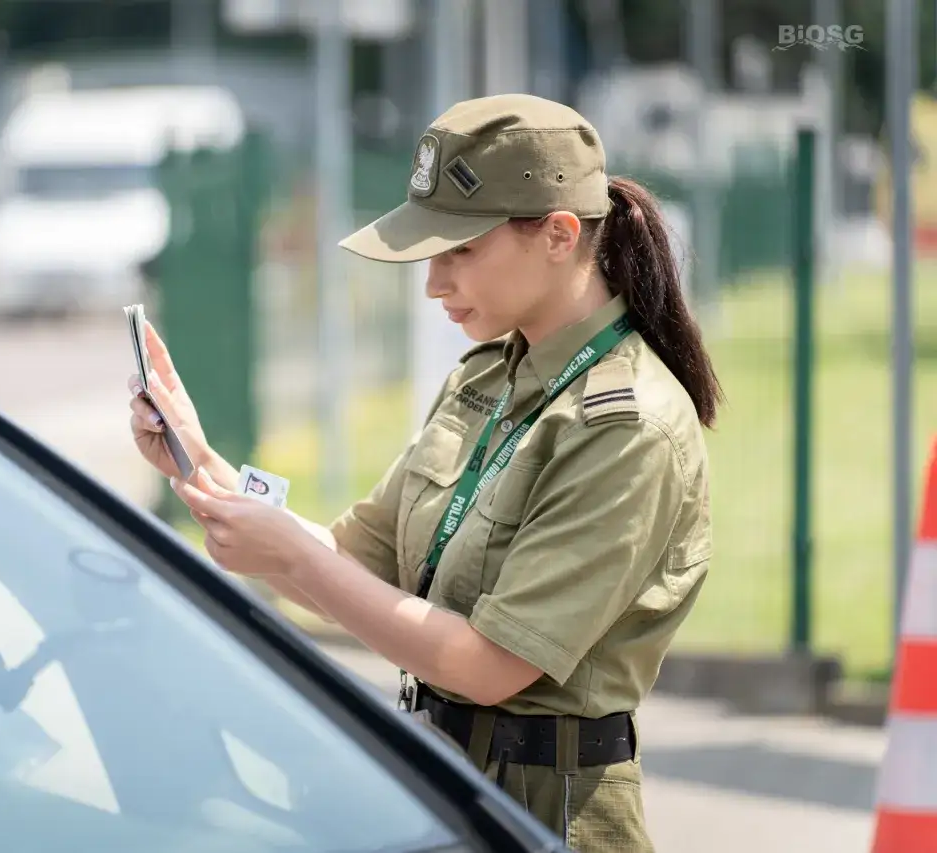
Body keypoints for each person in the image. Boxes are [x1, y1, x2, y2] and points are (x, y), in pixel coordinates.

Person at [128, 93, 721, 852]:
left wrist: (291, 555)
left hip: (549, 814)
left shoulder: (625, 425)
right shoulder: (488, 376)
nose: (435, 282)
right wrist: (202, 464)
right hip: (443, 786)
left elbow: (488, 667)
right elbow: (352, 560)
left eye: (460, 251)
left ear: (559, 235)